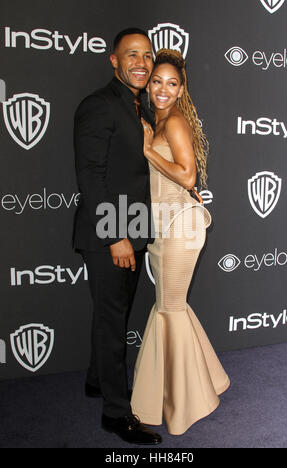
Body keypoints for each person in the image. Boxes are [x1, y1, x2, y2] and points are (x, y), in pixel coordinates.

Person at [131, 49, 230, 435]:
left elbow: (188, 177)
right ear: (148, 82)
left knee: (169, 309)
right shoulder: (151, 120)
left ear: (181, 89)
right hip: (161, 227)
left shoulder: (173, 122)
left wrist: (145, 151)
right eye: (157, 81)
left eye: (172, 84)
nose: (162, 89)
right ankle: (207, 381)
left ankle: (184, 403)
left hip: (182, 226)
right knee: (173, 307)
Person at [73, 28, 162, 445]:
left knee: (115, 316)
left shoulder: (136, 106)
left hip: (133, 228)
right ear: (114, 60)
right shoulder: (98, 105)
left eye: (147, 55)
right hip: (110, 233)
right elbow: (90, 176)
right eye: (132, 55)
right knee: (113, 322)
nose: (141, 63)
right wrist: (116, 237)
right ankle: (115, 414)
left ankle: (97, 381)